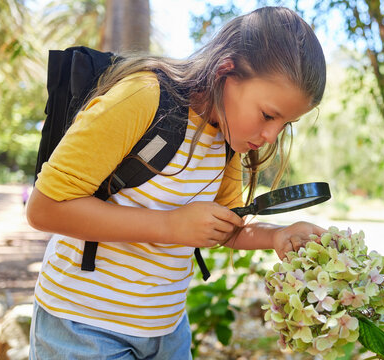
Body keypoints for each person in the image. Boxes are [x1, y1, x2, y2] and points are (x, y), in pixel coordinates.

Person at [26, 6, 327, 360]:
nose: (270, 137)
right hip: (83, 328)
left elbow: (226, 225)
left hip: (167, 333)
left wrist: (277, 234)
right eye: (267, 115)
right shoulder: (143, 97)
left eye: (284, 125)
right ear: (225, 72)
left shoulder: (227, 138)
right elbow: (44, 209)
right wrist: (170, 226)